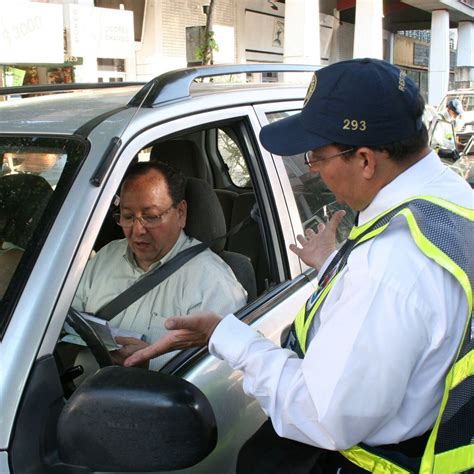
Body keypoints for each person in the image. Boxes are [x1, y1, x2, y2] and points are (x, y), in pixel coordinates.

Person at [124, 59, 473, 472]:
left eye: (317, 157)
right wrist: (333, 265)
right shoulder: (453, 201)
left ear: (365, 160)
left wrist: (224, 335)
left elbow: (322, 416)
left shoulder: (391, 264)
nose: (314, 173)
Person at [73, 160, 247, 370]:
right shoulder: (106, 255)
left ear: (180, 213)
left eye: (151, 217)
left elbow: (223, 371)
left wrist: (150, 364)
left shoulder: (211, 282)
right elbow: (69, 316)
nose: (137, 230)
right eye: (128, 216)